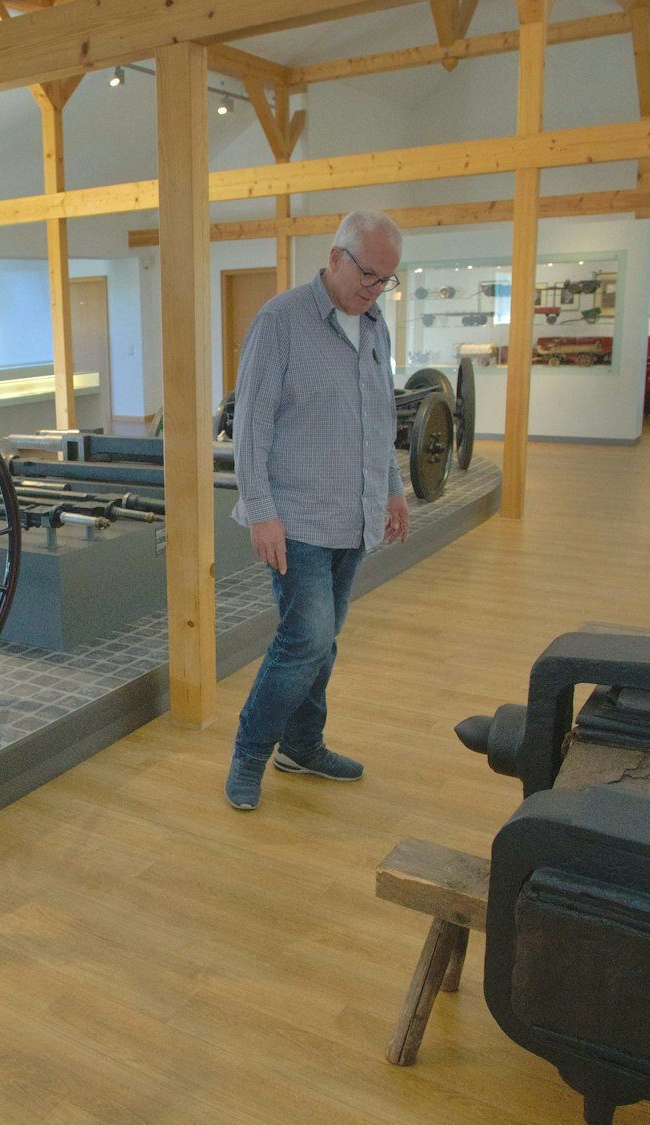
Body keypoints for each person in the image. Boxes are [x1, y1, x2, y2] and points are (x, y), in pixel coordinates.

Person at [224, 210, 410, 811]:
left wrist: (392, 487)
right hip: (295, 517)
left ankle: (302, 745)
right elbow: (249, 423)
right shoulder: (280, 322)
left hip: (352, 514)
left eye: (386, 279)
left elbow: (379, 417)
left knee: (325, 641)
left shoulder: (376, 327)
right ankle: (251, 753)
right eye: (368, 274)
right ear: (335, 257)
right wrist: (260, 511)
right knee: (305, 638)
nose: (374, 288)